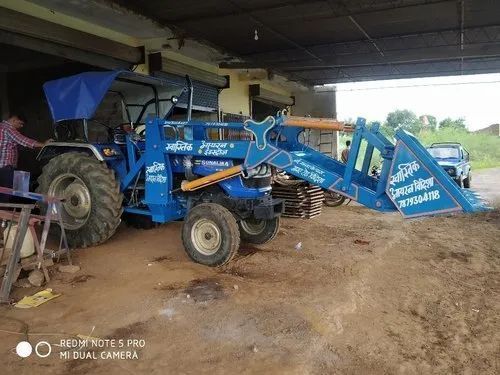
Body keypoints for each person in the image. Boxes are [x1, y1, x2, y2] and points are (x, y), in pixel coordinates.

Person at [0, 113, 52, 201]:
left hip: (3, 167)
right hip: (5, 167)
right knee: (6, 195)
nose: (21, 126)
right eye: (20, 123)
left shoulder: (1, 126)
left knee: (3, 192)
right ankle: (5, 212)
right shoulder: (8, 129)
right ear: (14, 119)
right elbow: (23, 140)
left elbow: (12, 145)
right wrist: (43, 144)